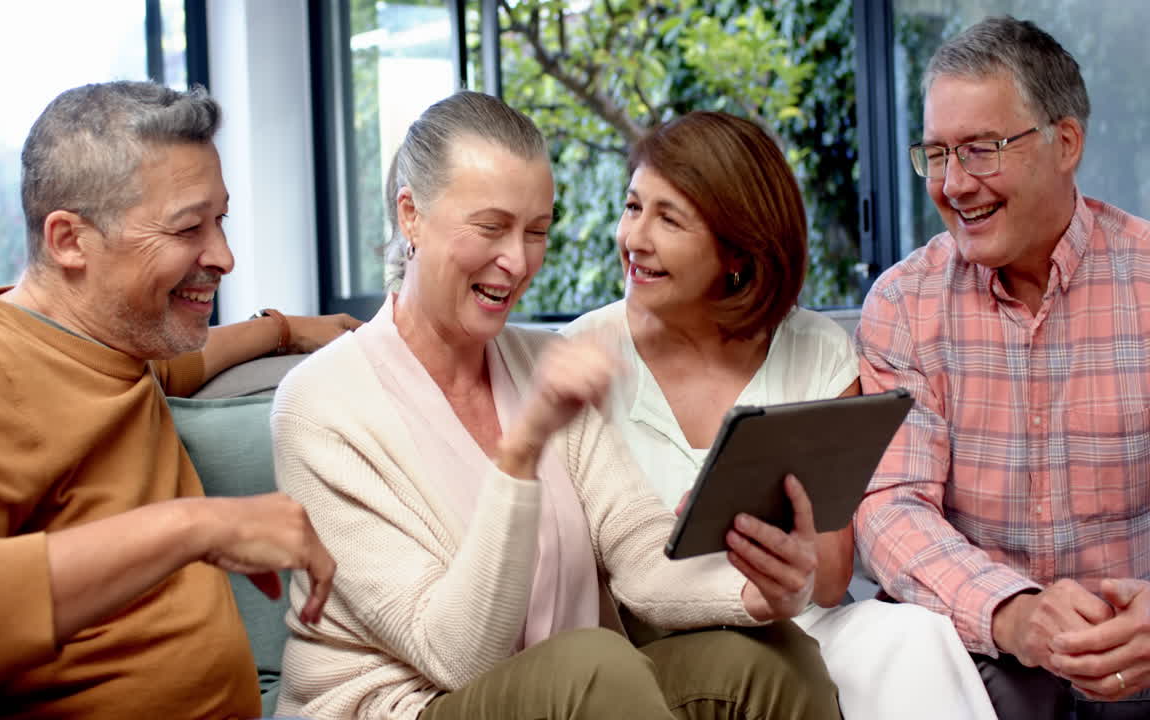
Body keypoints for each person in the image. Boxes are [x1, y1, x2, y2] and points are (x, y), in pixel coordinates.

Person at [271, 91, 840, 720]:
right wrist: (523, 448)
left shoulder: (539, 361)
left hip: (579, 690)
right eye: (490, 227)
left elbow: (639, 553)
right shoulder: (321, 404)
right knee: (595, 666)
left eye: (536, 231)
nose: (517, 262)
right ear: (411, 215)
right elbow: (455, 655)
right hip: (412, 706)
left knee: (776, 658)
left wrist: (756, 593)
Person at [0, 80, 359, 718]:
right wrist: (196, 527)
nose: (225, 256)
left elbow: (184, 362)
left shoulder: (110, 346)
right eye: (188, 228)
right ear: (69, 240)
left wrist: (286, 329)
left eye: (221, 221)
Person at [561, 110, 996, 720]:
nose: (635, 237)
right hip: (658, 651)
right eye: (633, 208)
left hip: (806, 624)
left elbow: (831, 572)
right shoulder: (580, 359)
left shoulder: (815, 348)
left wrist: (786, 555)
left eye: (668, 219)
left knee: (913, 637)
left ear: (737, 251)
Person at [854, 16, 1150, 720]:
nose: (955, 184)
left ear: (1066, 143)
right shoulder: (902, 304)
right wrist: (1014, 614)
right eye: (935, 153)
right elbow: (890, 506)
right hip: (978, 658)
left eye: (981, 150)